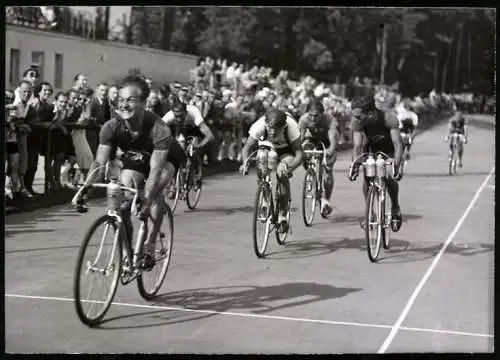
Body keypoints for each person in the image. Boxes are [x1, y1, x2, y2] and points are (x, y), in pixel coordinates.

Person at [74, 76, 182, 269]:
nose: (124, 105)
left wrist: (147, 199)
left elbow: (156, 169)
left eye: (131, 100)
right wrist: (85, 188)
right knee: (123, 202)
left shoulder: (159, 128)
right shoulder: (111, 127)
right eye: (121, 100)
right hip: (137, 156)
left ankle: (150, 244)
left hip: (165, 159)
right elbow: (99, 162)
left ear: (143, 103)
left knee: (154, 192)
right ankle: (128, 255)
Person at [240, 107, 303, 231]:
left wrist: (290, 168)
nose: (273, 132)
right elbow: (246, 148)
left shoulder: (292, 127)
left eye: (277, 129)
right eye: (269, 128)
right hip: (267, 146)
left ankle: (283, 214)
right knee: (261, 158)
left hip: (286, 149)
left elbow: (299, 154)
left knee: (282, 172)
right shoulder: (258, 126)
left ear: (283, 126)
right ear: (265, 124)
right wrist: (245, 163)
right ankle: (264, 195)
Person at [347, 95, 403, 232]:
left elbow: (398, 145)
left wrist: (396, 165)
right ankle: (370, 213)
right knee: (368, 177)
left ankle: (395, 206)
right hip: (371, 147)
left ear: (370, 113)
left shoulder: (389, 118)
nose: (356, 119)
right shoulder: (357, 120)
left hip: (389, 148)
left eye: (359, 116)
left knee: (389, 178)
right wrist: (355, 165)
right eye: (354, 115)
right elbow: (357, 146)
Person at [298, 98, 340, 217]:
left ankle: (326, 200)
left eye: (316, 116)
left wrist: (331, 149)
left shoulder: (329, 119)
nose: (312, 118)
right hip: (312, 139)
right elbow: (300, 138)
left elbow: (332, 137)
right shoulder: (303, 119)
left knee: (328, 170)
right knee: (304, 150)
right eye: (310, 115)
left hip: (328, 140)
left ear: (322, 114)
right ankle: (311, 173)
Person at [162, 99, 215, 184]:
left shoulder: (194, 114)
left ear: (185, 112)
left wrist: (199, 146)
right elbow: (157, 130)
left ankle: (196, 170)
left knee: (193, 146)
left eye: (180, 116)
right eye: (176, 116)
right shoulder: (169, 116)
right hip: (176, 128)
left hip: (193, 127)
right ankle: (174, 179)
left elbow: (210, 136)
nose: (178, 119)